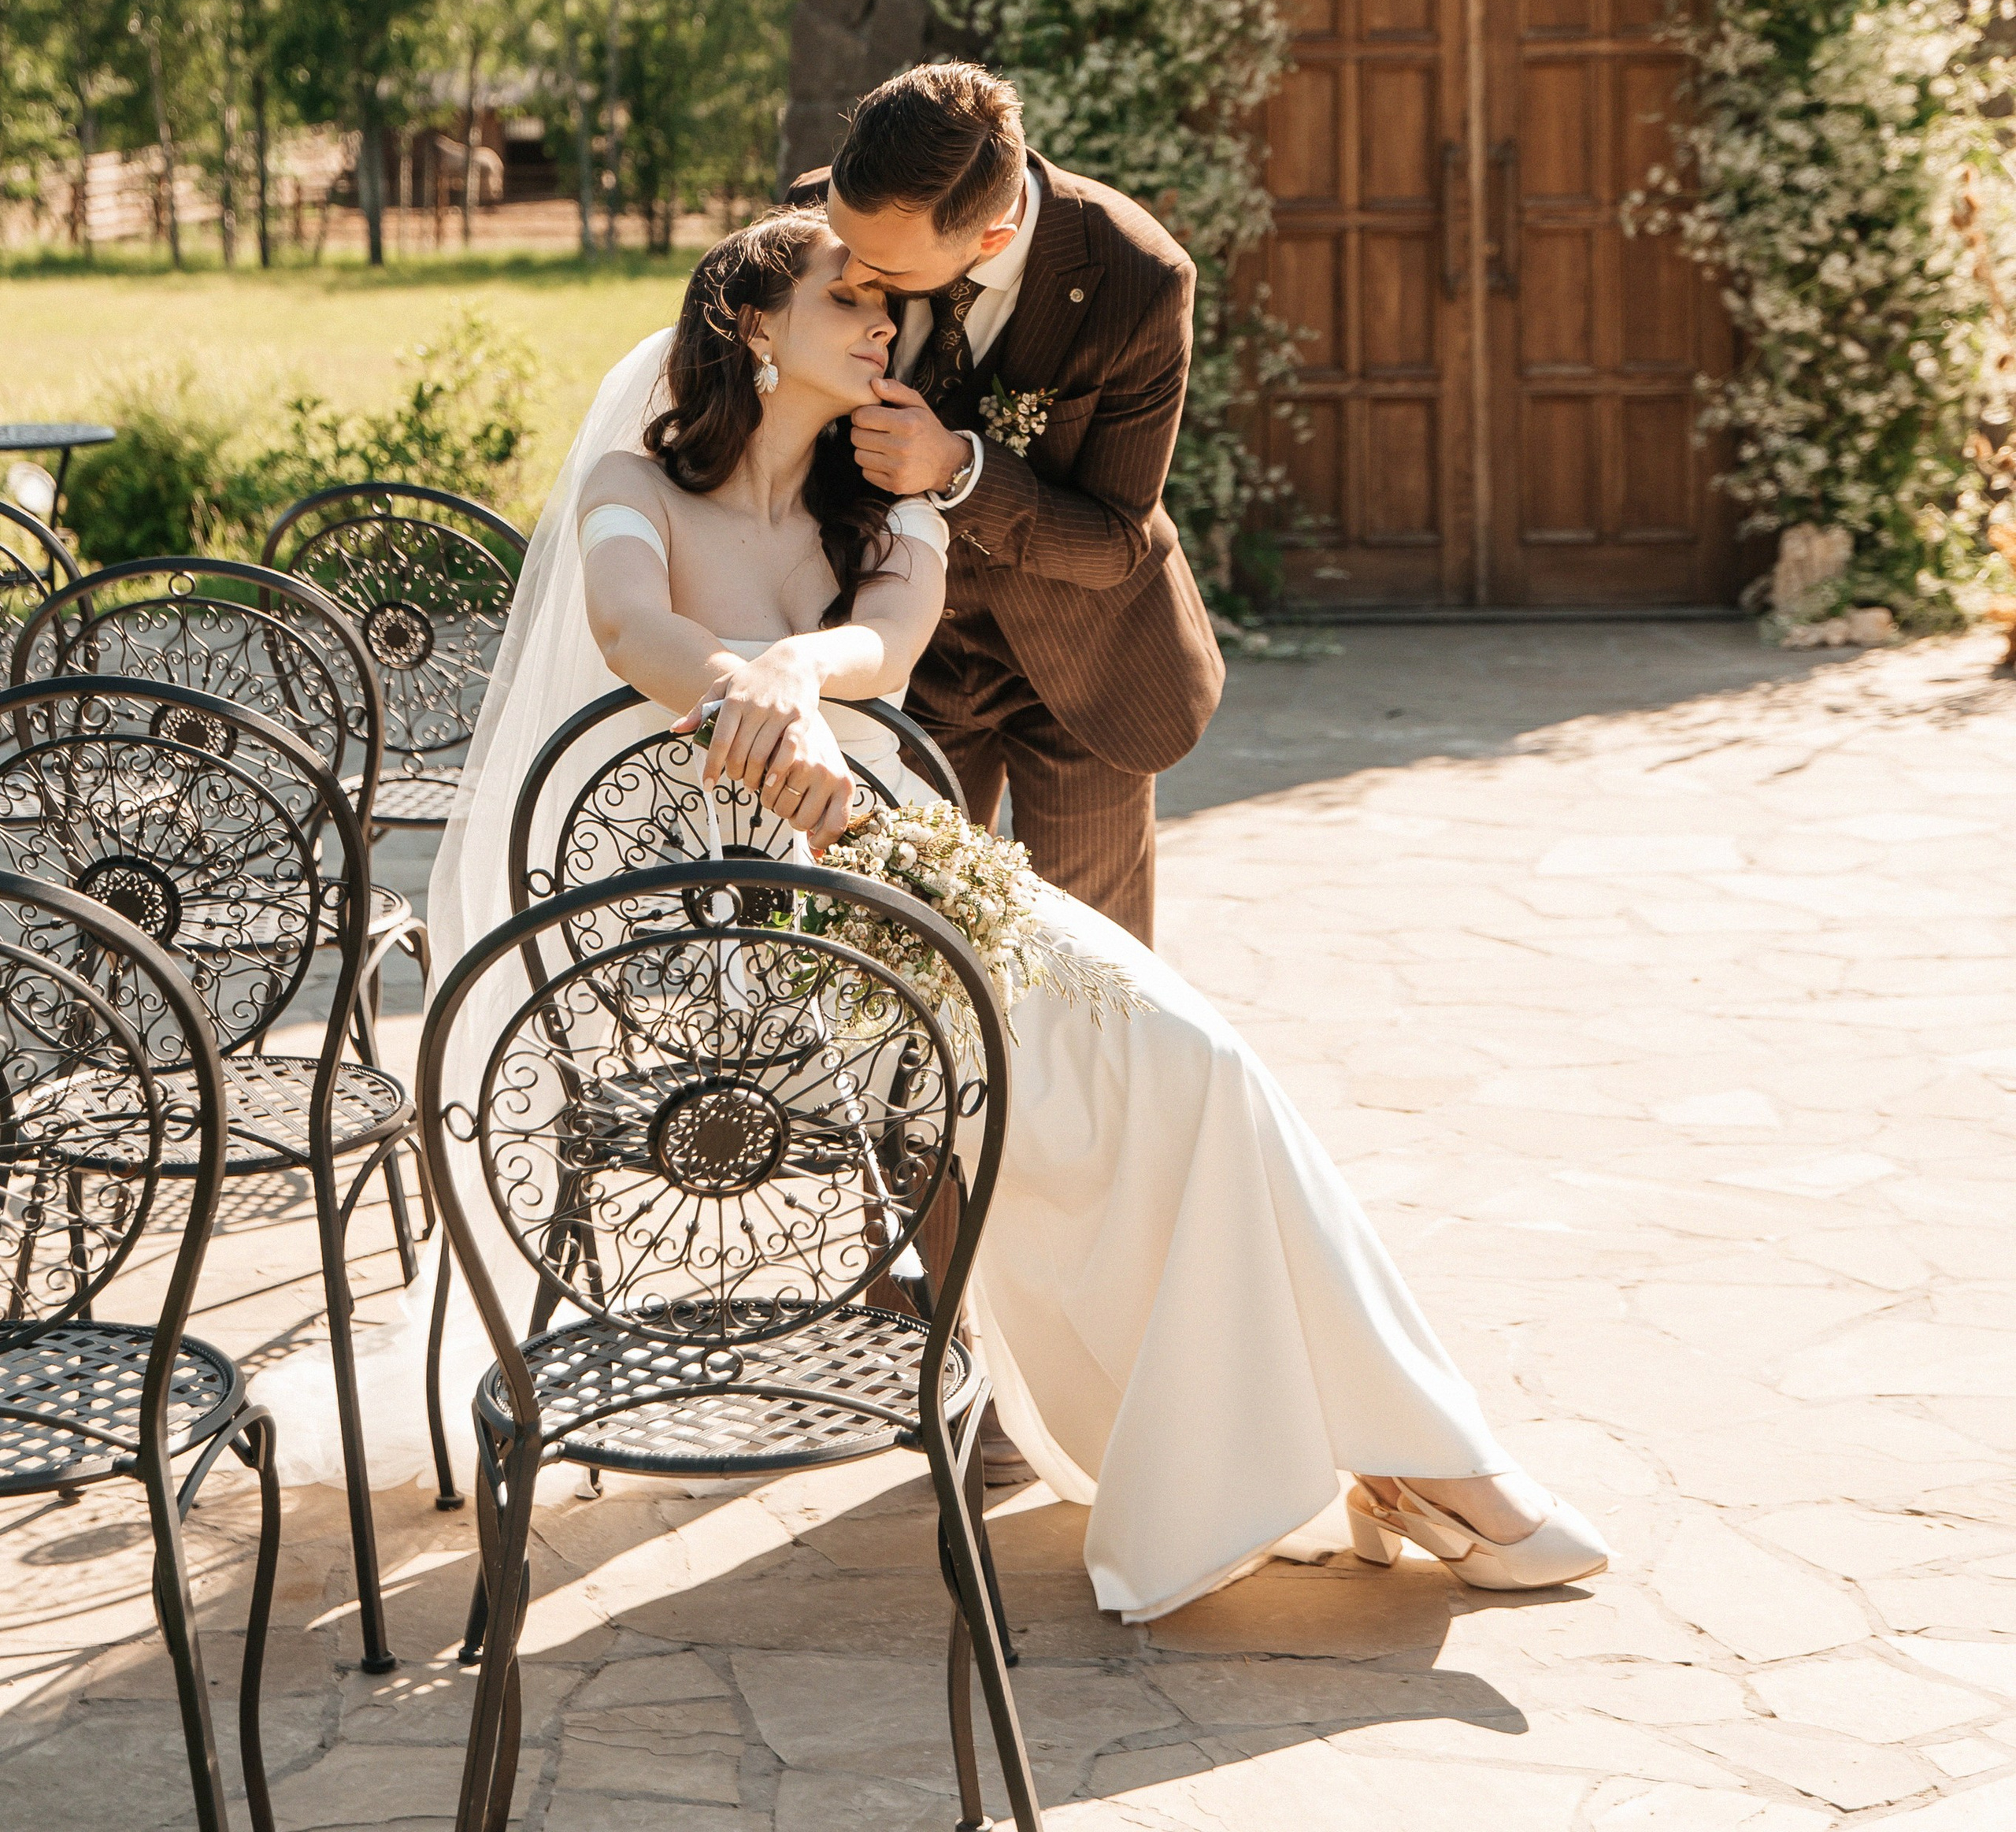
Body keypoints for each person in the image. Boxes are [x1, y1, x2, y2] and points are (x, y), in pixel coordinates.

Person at [409, 209, 1608, 1623]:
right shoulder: (636, 483)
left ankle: (1404, 1451)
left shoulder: (891, 491)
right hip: (724, 957)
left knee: (1197, 1066)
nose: (883, 321)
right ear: (749, 325)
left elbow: (890, 643)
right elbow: (626, 627)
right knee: (1156, 1087)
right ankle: (1410, 1460)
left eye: (884, 300)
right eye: (846, 297)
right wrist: (750, 685)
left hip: (905, 882)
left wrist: (798, 668)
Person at [790, 60, 1221, 948]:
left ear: (988, 240)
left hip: (1083, 665)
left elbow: (1112, 538)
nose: (851, 268)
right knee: (889, 946)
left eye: (881, 267)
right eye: (843, 236)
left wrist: (958, 467)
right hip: (905, 656)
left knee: (1093, 965)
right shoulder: (829, 216)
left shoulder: (1138, 275)